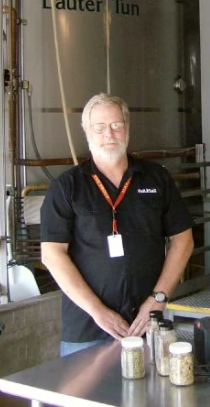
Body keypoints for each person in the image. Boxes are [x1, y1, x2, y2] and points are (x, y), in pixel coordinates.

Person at [40, 93, 194, 357]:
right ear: (87, 132)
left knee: (150, 397)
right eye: (99, 127)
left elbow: (183, 240)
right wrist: (97, 311)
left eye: (116, 125)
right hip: (87, 327)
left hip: (148, 323)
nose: (108, 134)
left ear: (127, 128)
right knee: (88, 399)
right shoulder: (67, 187)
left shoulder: (157, 178)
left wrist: (158, 300)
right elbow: (52, 254)